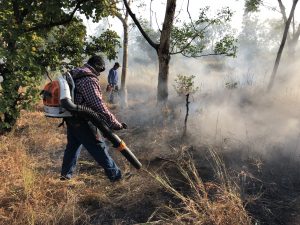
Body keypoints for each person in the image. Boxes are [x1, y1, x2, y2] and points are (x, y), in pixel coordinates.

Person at [60, 55, 127, 182]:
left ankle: (65, 176)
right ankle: (117, 177)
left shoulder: (76, 72)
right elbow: (97, 105)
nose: (100, 73)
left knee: (72, 147)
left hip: (72, 118)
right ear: (96, 65)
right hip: (84, 120)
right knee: (99, 148)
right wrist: (114, 123)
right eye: (100, 69)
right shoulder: (88, 79)